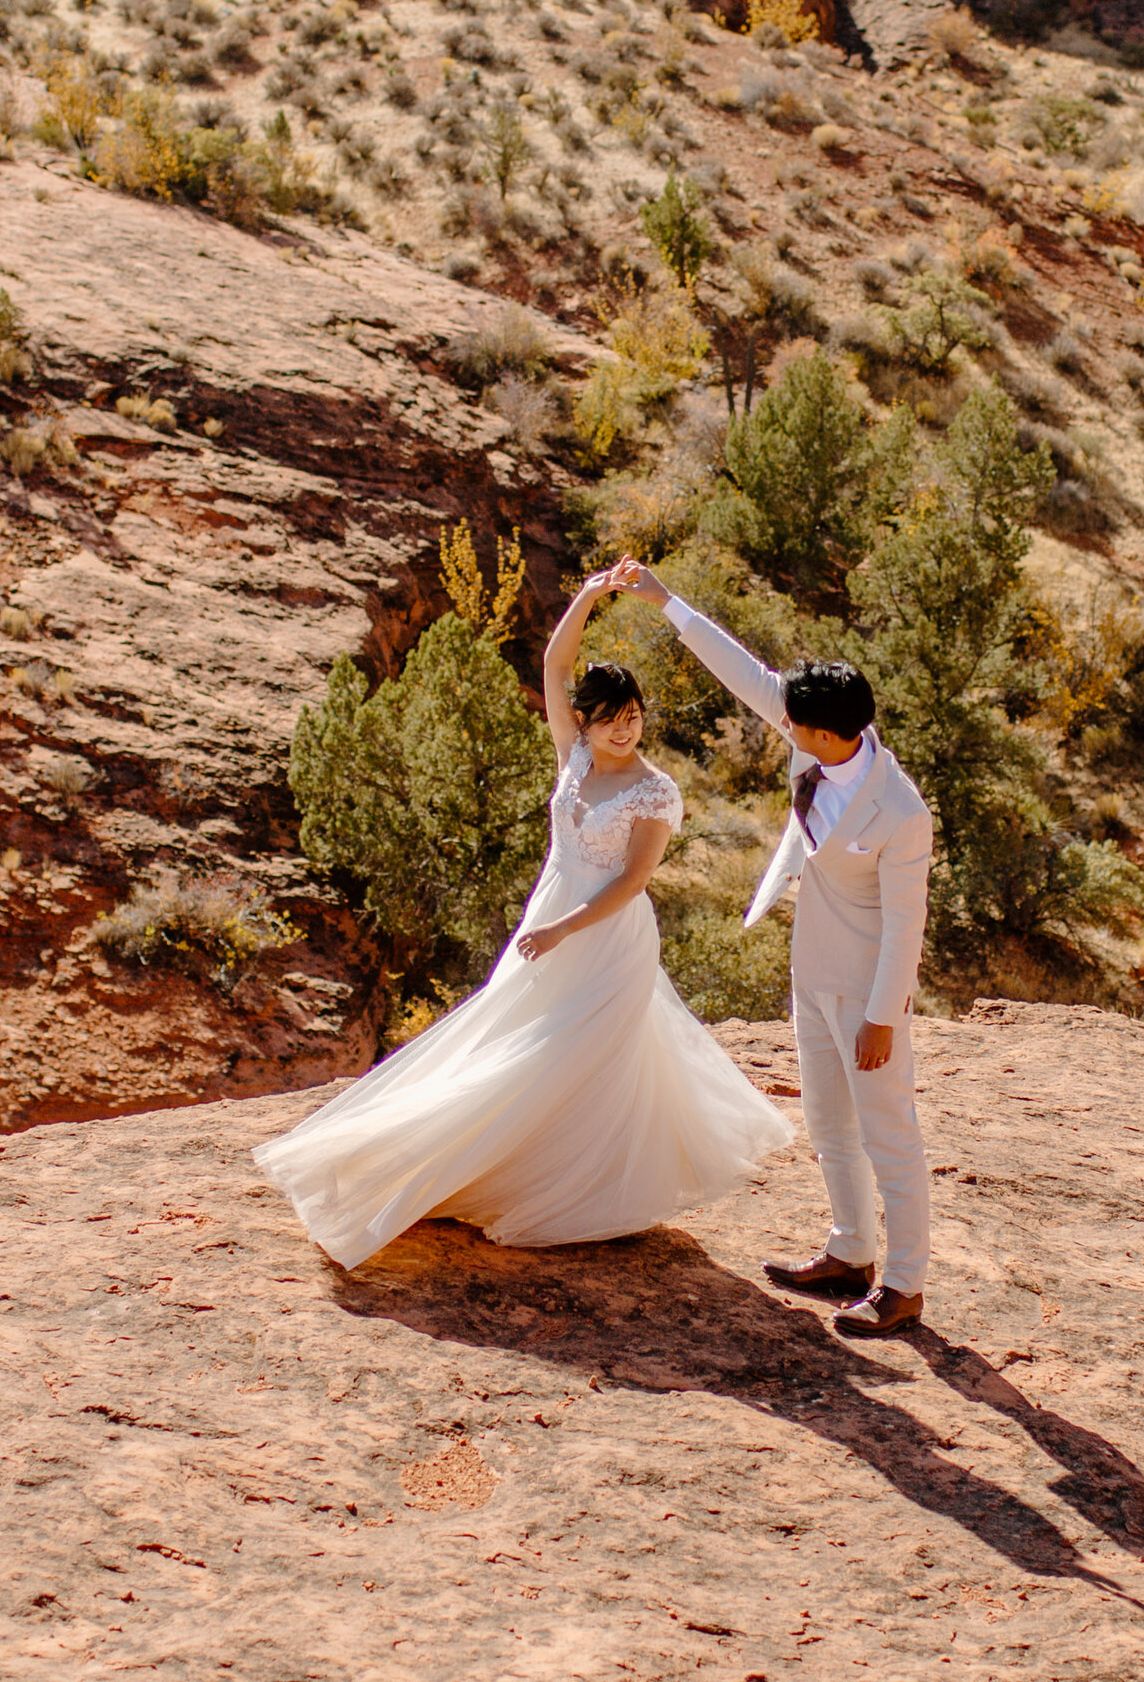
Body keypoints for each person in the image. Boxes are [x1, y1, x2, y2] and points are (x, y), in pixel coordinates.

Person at [252, 566, 790, 1270]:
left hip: (602, 934)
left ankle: (570, 1185)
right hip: (550, 911)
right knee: (511, 1037)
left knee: (565, 1054)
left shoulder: (654, 793)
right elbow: (553, 661)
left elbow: (632, 881)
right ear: (587, 719)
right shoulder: (571, 755)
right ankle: (474, 1163)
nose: (625, 729)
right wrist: (593, 594)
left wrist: (565, 930)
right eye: (611, 718)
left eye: (634, 716)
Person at [615, 565, 934, 1338]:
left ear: (830, 733)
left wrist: (883, 1017)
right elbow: (746, 676)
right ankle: (851, 1253)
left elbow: (906, 924)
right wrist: (667, 602)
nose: (780, 723)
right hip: (811, 970)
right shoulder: (813, 746)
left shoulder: (900, 811)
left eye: (792, 723)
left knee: (888, 1132)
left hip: (866, 990)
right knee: (828, 1125)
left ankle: (904, 1285)